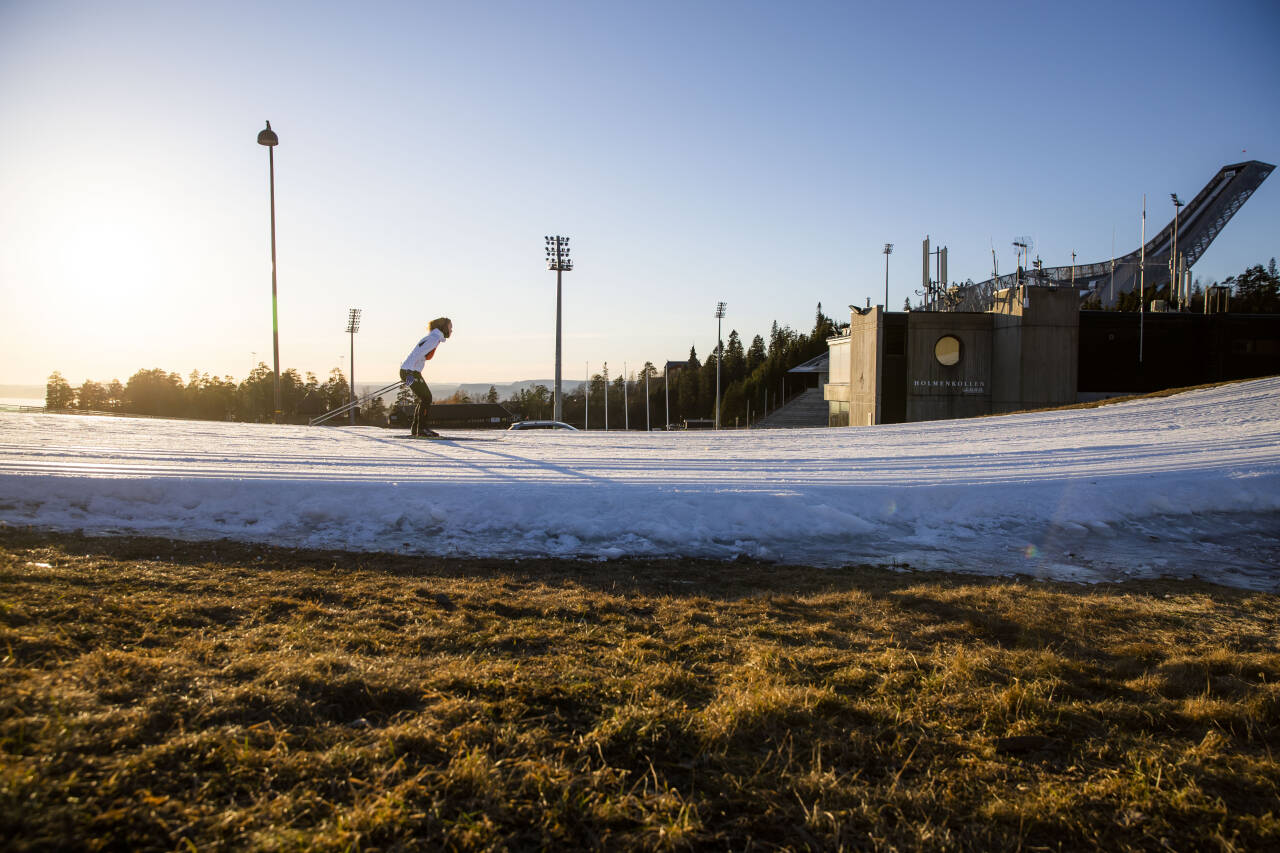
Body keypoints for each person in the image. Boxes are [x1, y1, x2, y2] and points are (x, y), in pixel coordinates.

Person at [399, 317, 452, 437]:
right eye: (450, 327)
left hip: (412, 370)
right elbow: (416, 354)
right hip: (410, 371)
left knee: (425, 398)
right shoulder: (433, 339)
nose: (451, 330)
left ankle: (417, 428)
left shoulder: (434, 338)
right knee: (427, 398)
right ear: (443, 327)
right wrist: (410, 373)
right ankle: (421, 429)